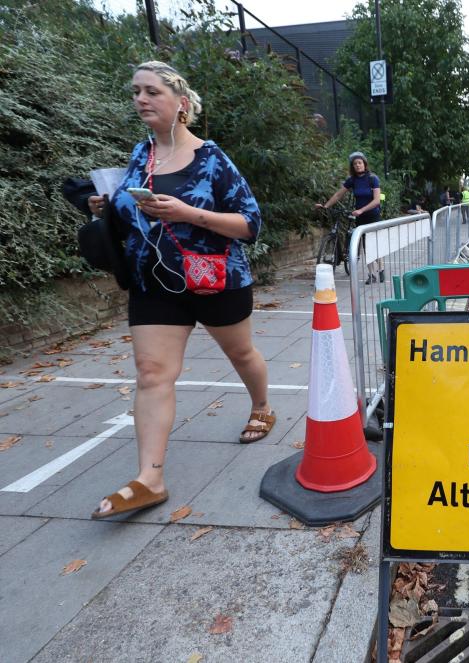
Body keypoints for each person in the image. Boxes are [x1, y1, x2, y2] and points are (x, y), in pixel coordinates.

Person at [87, 61, 273, 519]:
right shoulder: (140, 155)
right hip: (153, 280)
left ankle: (263, 406)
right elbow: (135, 213)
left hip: (213, 278)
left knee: (241, 354)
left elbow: (250, 224)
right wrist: (107, 206)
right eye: (136, 92)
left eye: (152, 92)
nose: (141, 100)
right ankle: (150, 478)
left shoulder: (212, 158)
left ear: (181, 104)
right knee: (152, 372)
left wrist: (191, 214)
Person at [317, 152, 383, 284]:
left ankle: (381, 269)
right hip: (360, 217)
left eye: (360, 163)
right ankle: (371, 274)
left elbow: (376, 201)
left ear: (364, 164)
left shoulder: (372, 178)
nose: (357, 165)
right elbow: (338, 195)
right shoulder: (352, 180)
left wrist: (361, 210)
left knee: (374, 245)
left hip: (373, 215)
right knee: (365, 245)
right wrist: (326, 206)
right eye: (355, 164)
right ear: (352, 166)